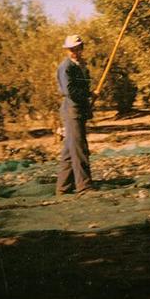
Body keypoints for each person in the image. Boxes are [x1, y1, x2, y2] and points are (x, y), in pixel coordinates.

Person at [56, 34, 95, 195]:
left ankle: (63, 188)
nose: (75, 52)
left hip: (79, 111)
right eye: (72, 50)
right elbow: (69, 91)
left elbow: (83, 87)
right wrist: (88, 94)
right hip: (72, 111)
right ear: (67, 50)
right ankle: (84, 187)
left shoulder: (80, 65)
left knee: (69, 151)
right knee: (79, 149)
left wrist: (90, 93)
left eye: (77, 49)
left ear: (81, 49)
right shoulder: (66, 67)